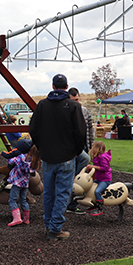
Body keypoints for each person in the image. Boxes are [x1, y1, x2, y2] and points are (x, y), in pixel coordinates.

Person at [29, 74, 86, 241]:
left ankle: (49, 225)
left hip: (47, 157)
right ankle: (55, 228)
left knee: (49, 193)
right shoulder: (73, 106)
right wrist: (76, 150)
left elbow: (33, 129)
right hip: (67, 156)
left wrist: (41, 147)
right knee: (62, 193)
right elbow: (80, 132)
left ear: (53, 86)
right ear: (66, 86)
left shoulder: (42, 105)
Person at [66, 87, 94, 215]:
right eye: (73, 100)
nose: (76, 102)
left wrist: (91, 147)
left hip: (83, 147)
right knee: (72, 176)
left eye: (77, 99)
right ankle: (68, 203)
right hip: (70, 149)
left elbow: (89, 130)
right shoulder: (66, 111)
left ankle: (73, 204)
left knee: (81, 176)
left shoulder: (84, 111)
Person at [7, 145, 41, 227]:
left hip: (17, 183)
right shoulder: (35, 162)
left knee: (12, 200)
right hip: (25, 183)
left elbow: (10, 161)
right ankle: (26, 219)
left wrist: (10, 154)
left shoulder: (21, 157)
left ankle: (17, 218)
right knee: (23, 200)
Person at [86, 141, 112, 216]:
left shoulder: (103, 157)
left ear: (98, 149)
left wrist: (93, 166)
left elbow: (104, 168)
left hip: (105, 180)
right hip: (99, 179)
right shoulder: (98, 156)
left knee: (97, 192)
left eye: (92, 147)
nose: (91, 149)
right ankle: (94, 204)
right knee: (90, 187)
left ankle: (99, 208)